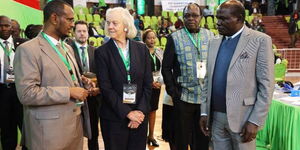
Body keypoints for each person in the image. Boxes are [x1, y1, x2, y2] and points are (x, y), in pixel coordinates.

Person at [13, 0, 94, 149]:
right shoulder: (28, 50)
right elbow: (27, 94)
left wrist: (82, 82)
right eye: (69, 19)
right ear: (55, 18)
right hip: (48, 134)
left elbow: (65, 76)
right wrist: (69, 92)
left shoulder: (67, 48)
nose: (72, 24)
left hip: (74, 130)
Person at [199, 1, 274, 150]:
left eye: (223, 19)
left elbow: (266, 85)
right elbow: (207, 80)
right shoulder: (213, 42)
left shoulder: (259, 40)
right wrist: (204, 111)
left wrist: (255, 121)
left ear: (239, 19)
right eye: (217, 18)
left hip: (244, 118)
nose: (218, 23)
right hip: (216, 117)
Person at [95, 7, 152, 150]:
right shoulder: (101, 52)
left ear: (126, 26)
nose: (110, 27)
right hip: (114, 119)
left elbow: (147, 84)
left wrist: (139, 112)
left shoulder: (141, 49)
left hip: (139, 118)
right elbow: (106, 88)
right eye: (108, 23)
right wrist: (128, 113)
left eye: (115, 23)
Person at [162, 3, 214, 150]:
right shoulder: (174, 38)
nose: (191, 19)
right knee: (181, 140)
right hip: (183, 98)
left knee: (202, 139)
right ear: (183, 18)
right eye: (187, 16)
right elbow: (166, 68)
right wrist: (174, 93)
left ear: (201, 18)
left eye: (195, 15)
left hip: (204, 99)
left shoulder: (210, 36)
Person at [70, 20, 101, 150]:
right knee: (73, 133)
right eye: (79, 31)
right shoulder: (68, 50)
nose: (82, 34)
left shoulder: (96, 51)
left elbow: (101, 73)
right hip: (74, 97)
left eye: (84, 31)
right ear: (74, 33)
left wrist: (97, 88)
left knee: (93, 132)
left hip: (93, 97)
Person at [0, 15, 27, 150]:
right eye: (1, 26)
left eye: (6, 25)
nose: (3, 28)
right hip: (2, 92)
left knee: (25, 126)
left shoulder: (23, 44)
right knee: (6, 128)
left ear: (12, 27)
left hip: (20, 91)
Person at [142, 29, 164, 147]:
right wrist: (150, 82)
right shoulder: (141, 51)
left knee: (153, 110)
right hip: (145, 85)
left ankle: (151, 136)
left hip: (157, 84)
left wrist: (160, 82)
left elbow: (163, 68)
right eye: (149, 38)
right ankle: (142, 135)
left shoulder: (159, 51)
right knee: (145, 110)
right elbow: (140, 70)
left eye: (154, 37)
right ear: (144, 39)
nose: (152, 40)